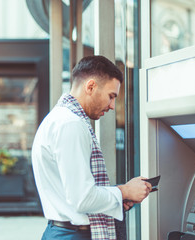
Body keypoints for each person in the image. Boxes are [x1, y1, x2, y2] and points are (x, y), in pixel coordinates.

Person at [32, 55, 152, 240]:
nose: (112, 106)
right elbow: (83, 198)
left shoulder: (59, 118)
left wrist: (117, 197)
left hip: (63, 232)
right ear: (90, 86)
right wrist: (125, 191)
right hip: (73, 234)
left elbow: (74, 192)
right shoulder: (70, 124)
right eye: (111, 96)